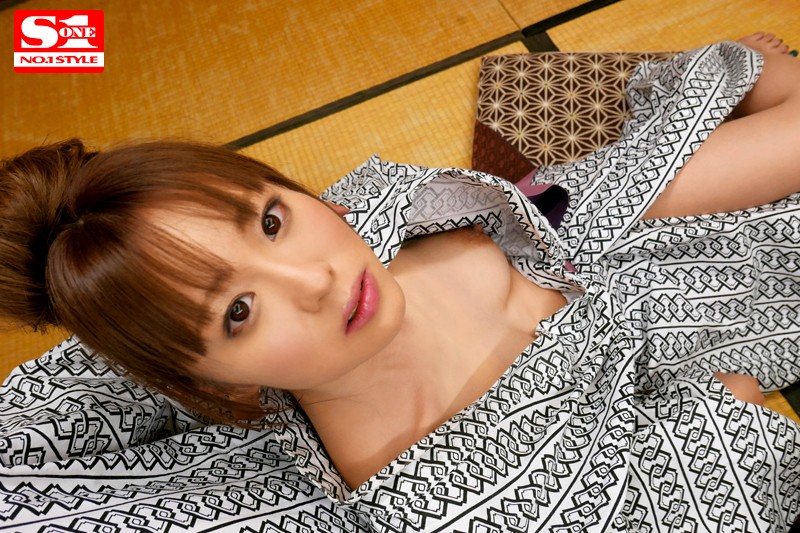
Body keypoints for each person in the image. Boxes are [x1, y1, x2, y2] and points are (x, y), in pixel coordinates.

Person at [1, 33, 799, 532]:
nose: (314, 279)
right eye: (239, 311)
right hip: (671, 333)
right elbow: (686, 487)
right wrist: (720, 406)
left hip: (572, 222)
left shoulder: (366, 223)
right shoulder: (445, 498)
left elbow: (522, 206)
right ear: (210, 381)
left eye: (271, 221)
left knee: (761, 99)